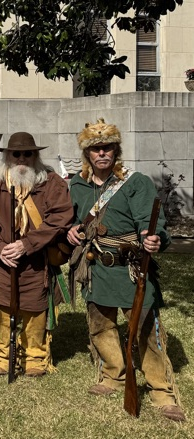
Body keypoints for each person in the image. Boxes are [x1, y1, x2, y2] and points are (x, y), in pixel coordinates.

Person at [67, 119, 185, 422]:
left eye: (107, 147)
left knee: (145, 329)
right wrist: (70, 230)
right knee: (101, 326)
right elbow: (70, 219)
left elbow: (152, 222)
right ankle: (113, 375)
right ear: (87, 154)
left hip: (131, 267)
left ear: (116, 150)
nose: (102, 153)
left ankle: (161, 390)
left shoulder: (136, 182)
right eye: (96, 149)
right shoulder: (77, 185)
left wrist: (154, 238)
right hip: (95, 267)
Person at [0, 132, 73, 378]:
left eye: (28, 153)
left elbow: (60, 217)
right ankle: (2, 354)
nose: (22, 159)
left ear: (35, 155)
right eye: (17, 154)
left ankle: (35, 355)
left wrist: (28, 244)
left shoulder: (52, 183)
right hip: (3, 260)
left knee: (35, 305)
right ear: (8, 156)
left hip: (37, 259)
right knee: (1, 304)